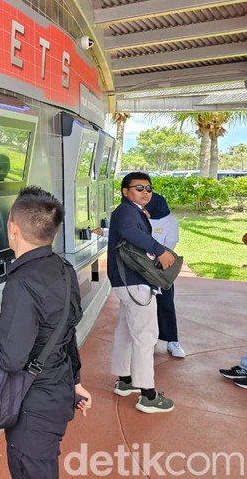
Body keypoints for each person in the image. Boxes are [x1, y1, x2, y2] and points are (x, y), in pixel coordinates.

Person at [0, 186, 90, 479]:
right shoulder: (64, 269)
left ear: (12, 228)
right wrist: (75, 382)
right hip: (56, 392)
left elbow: (11, 358)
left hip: (33, 406)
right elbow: (64, 331)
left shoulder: (21, 282)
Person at [107, 172, 176, 413]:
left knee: (126, 332)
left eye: (148, 188)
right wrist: (159, 250)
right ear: (126, 191)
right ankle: (148, 394)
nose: (145, 192)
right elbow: (130, 232)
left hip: (126, 281)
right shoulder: (127, 211)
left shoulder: (131, 210)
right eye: (138, 188)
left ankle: (125, 381)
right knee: (145, 336)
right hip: (134, 281)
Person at [143, 192, 185, 358]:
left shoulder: (170, 222)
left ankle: (172, 341)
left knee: (165, 303)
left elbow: (170, 247)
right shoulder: (141, 218)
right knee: (142, 306)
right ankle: (146, 340)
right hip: (140, 267)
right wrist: (103, 231)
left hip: (161, 268)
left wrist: (157, 257)